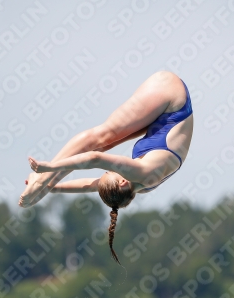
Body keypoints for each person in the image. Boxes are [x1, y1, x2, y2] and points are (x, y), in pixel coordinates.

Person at [19, 71, 194, 264]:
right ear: (122, 180)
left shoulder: (138, 187)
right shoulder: (141, 173)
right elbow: (94, 159)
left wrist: (52, 188)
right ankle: (39, 182)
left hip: (161, 118)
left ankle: (41, 186)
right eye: (111, 172)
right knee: (98, 138)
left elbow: (90, 185)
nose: (111, 169)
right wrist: (48, 169)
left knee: (104, 144)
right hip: (170, 94)